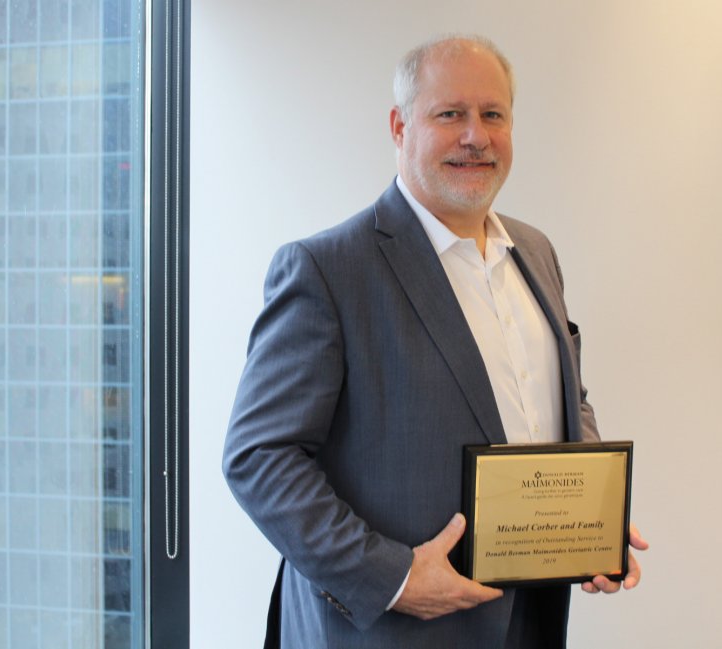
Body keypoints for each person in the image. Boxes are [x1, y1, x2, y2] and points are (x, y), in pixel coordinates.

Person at [223, 34, 647, 649]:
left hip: (530, 618)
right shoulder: (327, 269)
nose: (475, 135)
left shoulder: (535, 252)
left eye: (492, 115)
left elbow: (562, 397)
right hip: (387, 632)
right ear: (400, 126)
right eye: (450, 114)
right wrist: (390, 577)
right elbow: (259, 457)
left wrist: (595, 523)